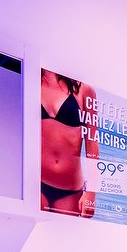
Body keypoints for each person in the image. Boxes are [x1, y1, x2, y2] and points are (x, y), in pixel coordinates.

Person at [40, 69, 99, 217]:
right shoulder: (32, 81)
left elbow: (92, 143)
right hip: (36, 183)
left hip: (70, 190)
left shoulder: (84, 89)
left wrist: (91, 193)